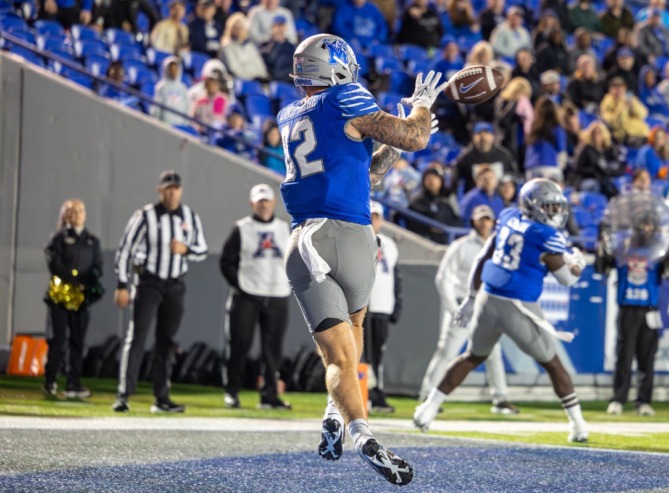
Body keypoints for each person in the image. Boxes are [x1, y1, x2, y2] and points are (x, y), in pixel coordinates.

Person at [278, 34, 445, 485]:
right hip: (353, 238)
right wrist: (423, 107)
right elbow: (413, 137)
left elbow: (363, 167)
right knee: (352, 342)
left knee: (337, 356)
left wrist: (409, 127)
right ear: (335, 67)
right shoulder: (345, 95)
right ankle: (348, 425)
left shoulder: (289, 113)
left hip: (307, 239)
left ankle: (352, 428)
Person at [414, 178, 589, 443]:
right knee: (552, 363)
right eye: (550, 207)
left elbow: (483, 257)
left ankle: (428, 408)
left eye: (557, 207)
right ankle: (578, 425)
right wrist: (577, 263)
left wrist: (471, 297)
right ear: (535, 207)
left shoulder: (509, 218)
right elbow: (568, 279)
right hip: (518, 306)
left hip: (487, 298)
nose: (555, 212)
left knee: (472, 356)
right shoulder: (545, 235)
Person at [112, 170, 208, 413]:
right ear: (160, 190)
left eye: (176, 187)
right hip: (149, 283)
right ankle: (124, 394)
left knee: (167, 341)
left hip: (175, 285)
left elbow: (202, 250)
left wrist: (185, 249)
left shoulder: (190, 216)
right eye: (168, 187)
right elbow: (125, 250)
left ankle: (161, 397)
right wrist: (122, 284)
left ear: (181, 190)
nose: (172, 191)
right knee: (138, 336)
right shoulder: (145, 215)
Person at [418, 204, 519, 414]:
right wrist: (452, 307)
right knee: (447, 351)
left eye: (488, 219)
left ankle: (500, 399)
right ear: (473, 221)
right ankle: (427, 396)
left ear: (493, 222)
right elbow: (443, 277)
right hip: (462, 304)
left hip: (485, 307)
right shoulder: (461, 245)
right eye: (481, 219)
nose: (484, 223)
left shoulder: (499, 247)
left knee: (493, 354)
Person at [596, 196, 669, 417]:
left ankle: (644, 401)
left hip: (649, 310)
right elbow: (601, 268)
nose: (645, 228)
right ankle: (618, 399)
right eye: (641, 224)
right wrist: (601, 245)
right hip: (627, 308)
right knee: (623, 357)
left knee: (647, 358)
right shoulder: (622, 249)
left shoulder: (659, 253)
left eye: (649, 225)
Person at [220, 184, 292, 409]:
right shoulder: (241, 228)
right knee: (239, 345)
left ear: (273, 203)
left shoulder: (285, 228)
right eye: (259, 201)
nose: (263, 204)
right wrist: (241, 285)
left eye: (266, 200)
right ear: (252, 203)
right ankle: (232, 391)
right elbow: (226, 262)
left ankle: (270, 395)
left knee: (273, 351)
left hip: (277, 295)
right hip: (247, 296)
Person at [43, 199, 103, 399]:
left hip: (81, 298)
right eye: (73, 211)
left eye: (80, 211)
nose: (77, 214)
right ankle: (50, 379)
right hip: (60, 296)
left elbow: (98, 267)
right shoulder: (59, 238)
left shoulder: (92, 240)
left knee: (78, 341)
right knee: (58, 339)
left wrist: (86, 282)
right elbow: (55, 264)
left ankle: (73, 383)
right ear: (66, 215)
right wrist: (72, 280)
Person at [363, 201, 402, 413]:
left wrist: (397, 305)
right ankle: (365, 394)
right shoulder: (356, 238)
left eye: (376, 216)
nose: (373, 220)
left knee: (378, 355)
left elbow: (396, 277)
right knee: (362, 354)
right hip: (362, 307)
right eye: (370, 215)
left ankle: (376, 393)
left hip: (382, 307)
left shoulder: (389, 244)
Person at [454, 122, 516, 194]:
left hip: (499, 199)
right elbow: (455, 178)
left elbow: (513, 176)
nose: (482, 137)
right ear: (473, 137)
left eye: (486, 133)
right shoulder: (466, 158)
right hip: (475, 200)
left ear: (493, 136)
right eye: (479, 133)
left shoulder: (504, 156)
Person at [524, 97, 567, 181]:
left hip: (532, 167)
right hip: (550, 166)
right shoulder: (557, 128)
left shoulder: (533, 127)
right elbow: (561, 148)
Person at [220, 13, 269, 81]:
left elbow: (260, 65)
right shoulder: (227, 48)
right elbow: (235, 70)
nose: (239, 31)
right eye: (236, 28)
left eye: (241, 28)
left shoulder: (250, 46)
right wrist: (252, 77)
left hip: (257, 81)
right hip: (241, 81)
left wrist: (262, 77)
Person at [151, 56, 190, 127]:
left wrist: (185, 125)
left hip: (179, 125)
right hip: (164, 125)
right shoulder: (161, 87)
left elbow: (186, 109)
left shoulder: (183, 88)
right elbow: (156, 108)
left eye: (175, 69)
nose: (173, 71)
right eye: (171, 69)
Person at [260, 15, 296, 83]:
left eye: (281, 25)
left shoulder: (292, 47)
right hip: (273, 81)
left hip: (290, 81)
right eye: (277, 25)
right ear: (273, 27)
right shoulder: (266, 46)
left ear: (286, 27)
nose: (279, 28)